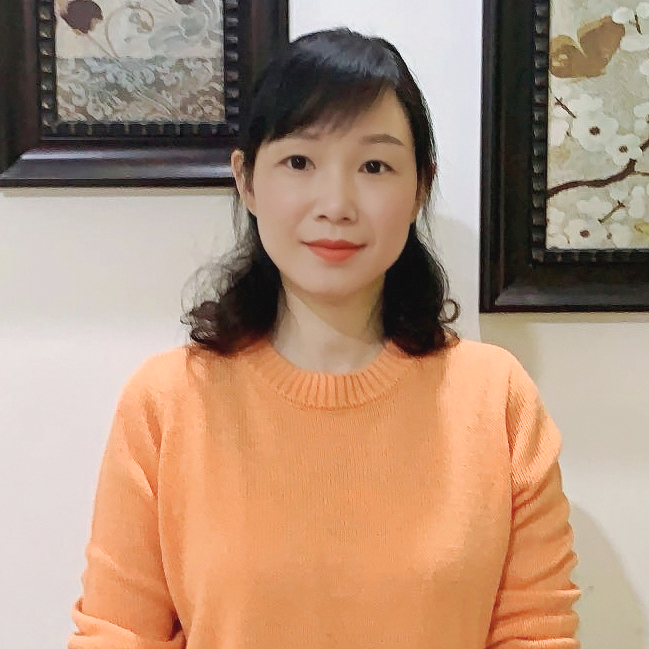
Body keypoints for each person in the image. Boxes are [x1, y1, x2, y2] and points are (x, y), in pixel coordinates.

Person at [68, 28, 581, 649]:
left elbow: (536, 633)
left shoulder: (496, 399)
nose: (336, 203)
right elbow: (118, 633)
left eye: (374, 166)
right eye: (299, 162)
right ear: (247, 181)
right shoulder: (167, 401)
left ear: (420, 187)